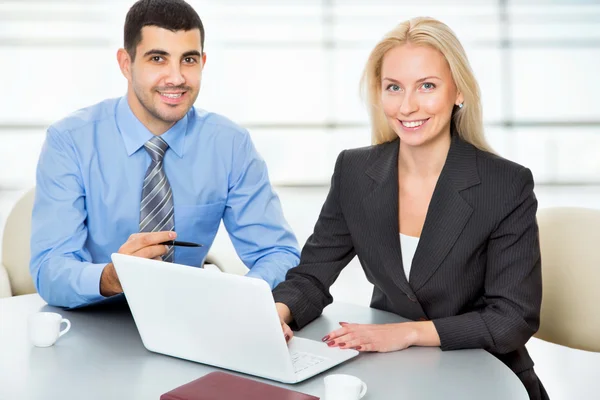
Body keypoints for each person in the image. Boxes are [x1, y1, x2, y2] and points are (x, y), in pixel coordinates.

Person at [273, 17, 548, 400]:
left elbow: (512, 318)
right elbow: (311, 275)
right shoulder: (354, 171)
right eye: (394, 88)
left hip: (484, 376)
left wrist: (408, 333)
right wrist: (277, 315)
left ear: (459, 92)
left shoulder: (506, 184)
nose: (407, 106)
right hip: (393, 375)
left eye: (427, 86)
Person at [30, 0, 300, 309]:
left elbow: (278, 254)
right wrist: (109, 278)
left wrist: (237, 302)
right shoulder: (70, 141)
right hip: (92, 319)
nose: (176, 77)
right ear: (125, 63)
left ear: (203, 62)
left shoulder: (230, 144)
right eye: (157, 58)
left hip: (189, 320)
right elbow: (50, 269)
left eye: (188, 59)